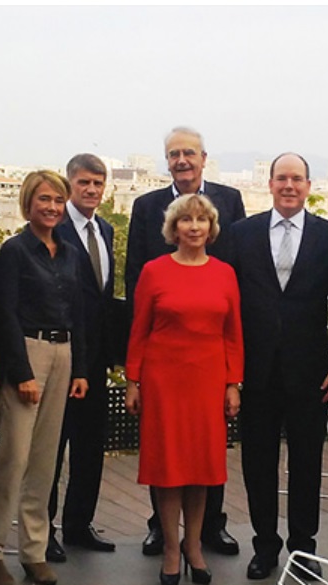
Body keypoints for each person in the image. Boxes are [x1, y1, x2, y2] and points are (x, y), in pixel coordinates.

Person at [227, 153, 328, 581]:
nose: (289, 186)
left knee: (306, 464)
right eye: (281, 178)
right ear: (269, 184)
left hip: (311, 372)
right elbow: (228, 307)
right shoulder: (240, 235)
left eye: (296, 179)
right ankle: (265, 547)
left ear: (308, 185)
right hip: (256, 372)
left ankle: (304, 548)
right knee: (257, 463)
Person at [125, 126, 246, 557]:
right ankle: (164, 534)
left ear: (203, 158)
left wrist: (234, 380)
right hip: (164, 370)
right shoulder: (145, 208)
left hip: (209, 365)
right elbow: (137, 291)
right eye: (174, 153)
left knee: (205, 460)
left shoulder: (230, 202)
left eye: (189, 153)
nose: (182, 160)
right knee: (167, 459)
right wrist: (132, 377)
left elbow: (234, 314)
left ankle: (209, 531)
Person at [0, 171, 88, 585]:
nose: (52, 207)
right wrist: (21, 373)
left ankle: (35, 551)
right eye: (44, 199)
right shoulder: (15, 251)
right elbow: (4, 314)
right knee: (14, 458)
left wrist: (80, 369)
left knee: (46, 461)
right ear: (28, 203)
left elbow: (78, 311)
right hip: (28, 352)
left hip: (63, 353)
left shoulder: (70, 252)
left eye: (58, 200)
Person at [47, 153, 118, 562]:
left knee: (91, 445)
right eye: (84, 183)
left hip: (97, 357)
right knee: (54, 448)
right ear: (70, 184)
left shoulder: (105, 229)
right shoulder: (54, 230)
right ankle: (47, 529)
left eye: (98, 183)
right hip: (62, 354)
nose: (91, 190)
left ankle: (78, 523)